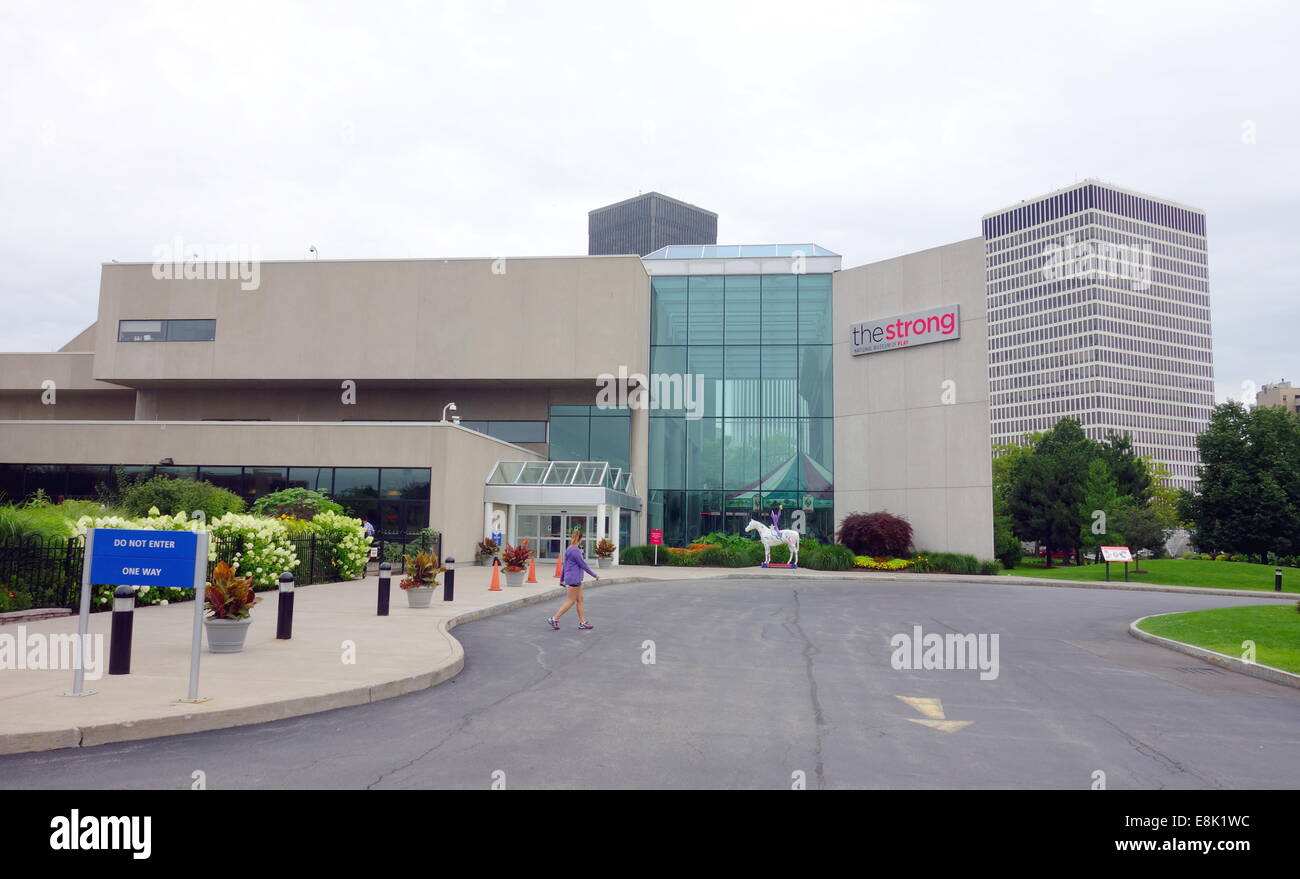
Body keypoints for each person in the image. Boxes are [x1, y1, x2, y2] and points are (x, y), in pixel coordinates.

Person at [547, 528, 598, 630]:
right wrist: (594, 575)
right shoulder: (576, 550)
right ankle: (554, 618)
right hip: (574, 579)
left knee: (580, 599)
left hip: (572, 578)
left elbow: (565, 565)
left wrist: (561, 579)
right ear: (580, 539)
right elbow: (583, 565)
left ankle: (582, 622)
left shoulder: (569, 548)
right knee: (571, 601)